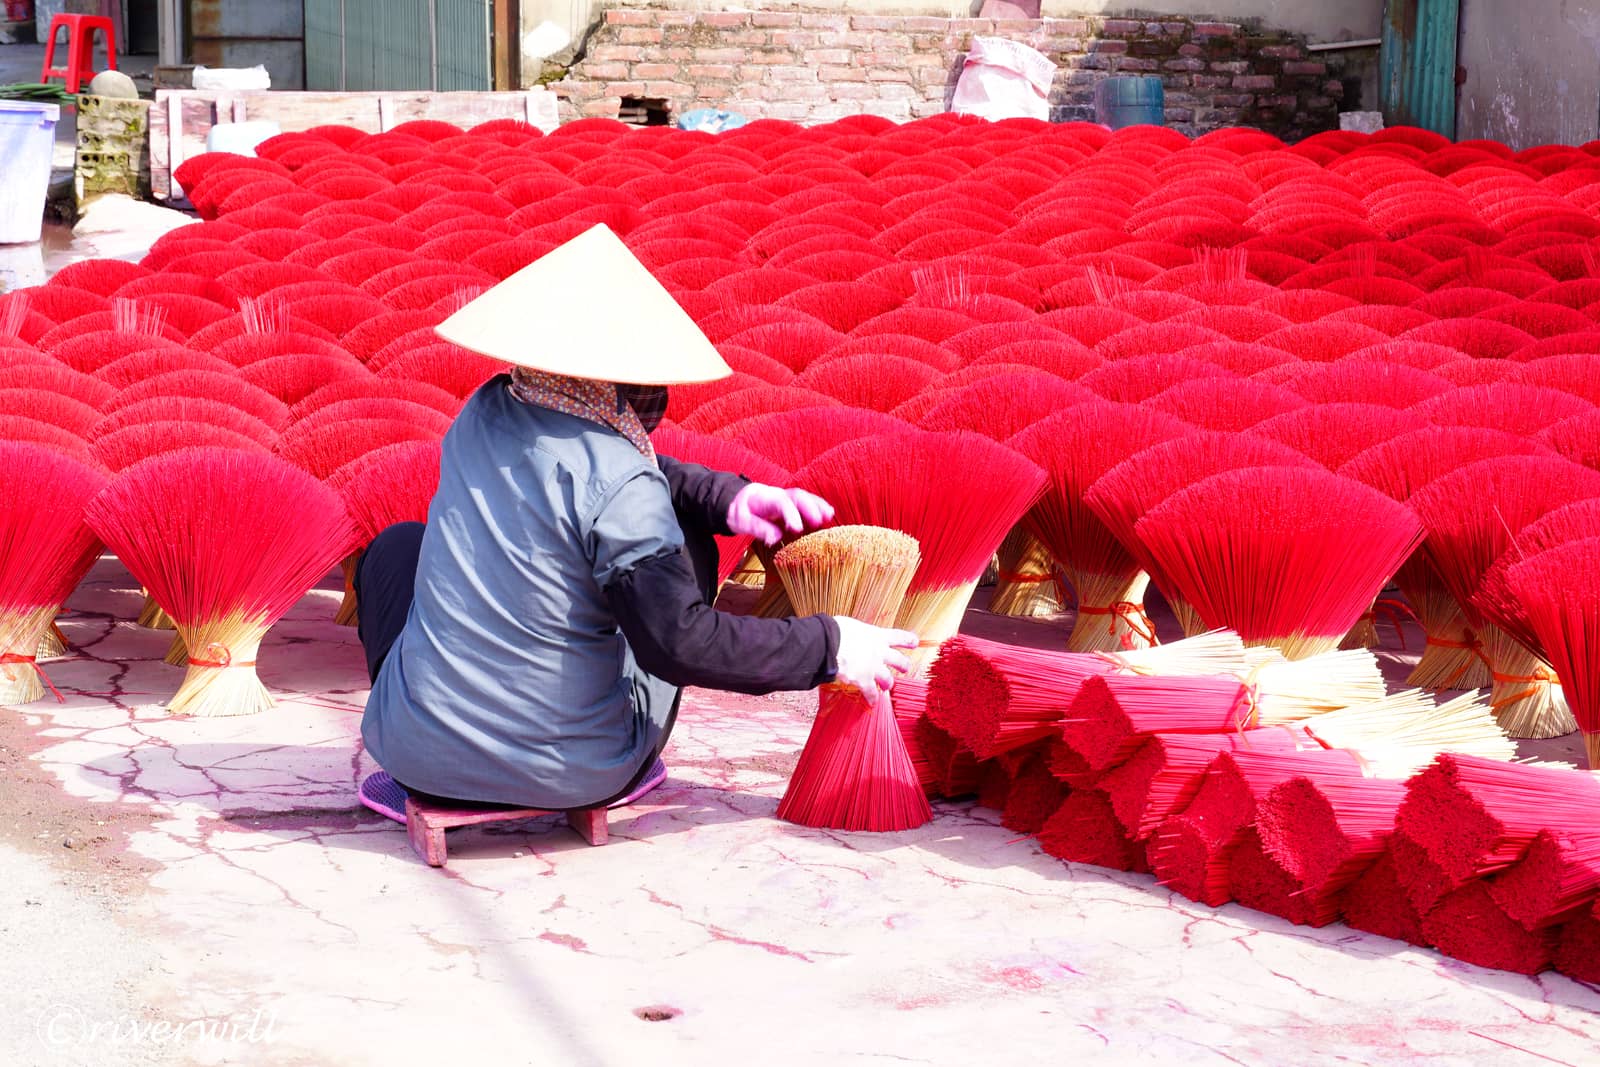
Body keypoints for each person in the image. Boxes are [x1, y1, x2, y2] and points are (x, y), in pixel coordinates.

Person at [357, 225, 917, 820]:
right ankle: (625, 762)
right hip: (571, 773)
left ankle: (430, 746)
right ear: (619, 381)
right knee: (687, 543)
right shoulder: (625, 484)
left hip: (412, 758)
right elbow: (680, 643)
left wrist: (729, 497)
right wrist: (830, 646)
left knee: (397, 547)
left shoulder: (484, 412)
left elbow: (585, 473)